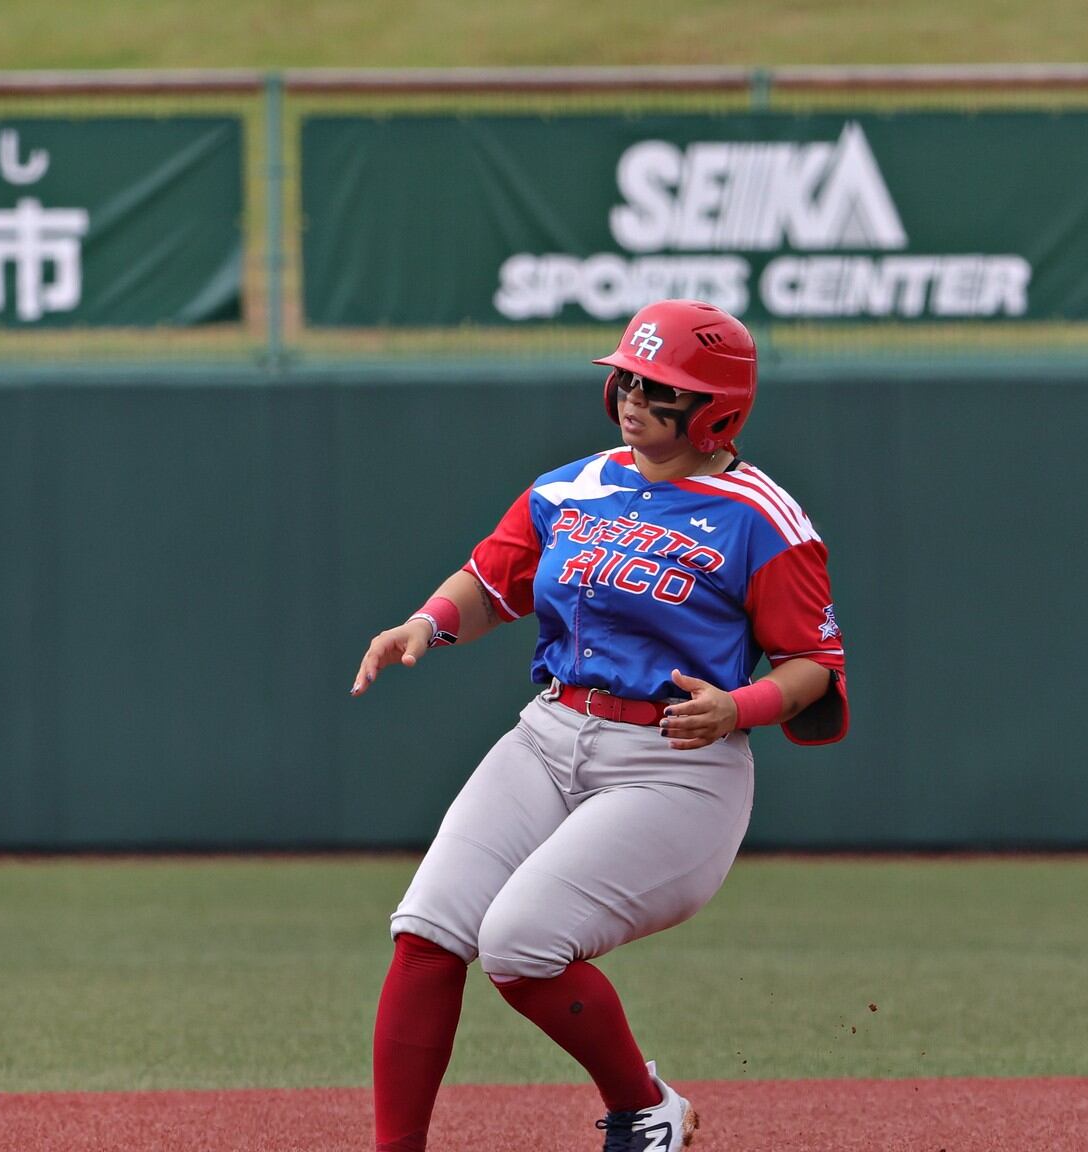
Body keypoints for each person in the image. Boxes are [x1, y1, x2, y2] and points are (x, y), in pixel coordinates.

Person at [351, 299, 848, 1152]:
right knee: (427, 929)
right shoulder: (574, 484)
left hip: (676, 765)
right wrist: (427, 622)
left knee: (519, 943)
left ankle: (642, 1108)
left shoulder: (761, 516)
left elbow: (815, 667)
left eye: (662, 387)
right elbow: (493, 579)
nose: (634, 397)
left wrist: (739, 706)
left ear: (717, 410)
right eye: (628, 378)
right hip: (551, 733)